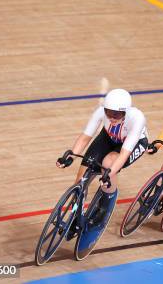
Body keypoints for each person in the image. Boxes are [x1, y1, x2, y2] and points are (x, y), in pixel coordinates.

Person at [56, 88, 149, 231]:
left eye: (116, 114)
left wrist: (108, 174)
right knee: (80, 180)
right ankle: (76, 213)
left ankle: (105, 205)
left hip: (132, 144)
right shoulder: (100, 111)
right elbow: (86, 136)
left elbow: (124, 154)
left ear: (126, 112)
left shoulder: (137, 118)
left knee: (107, 164)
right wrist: (70, 157)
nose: (111, 117)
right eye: (108, 112)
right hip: (108, 137)